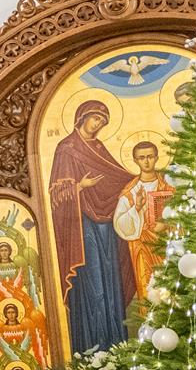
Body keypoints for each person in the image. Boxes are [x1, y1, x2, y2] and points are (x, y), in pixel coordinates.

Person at [46, 98, 136, 353]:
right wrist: (80, 186)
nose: (98, 125)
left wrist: (138, 182)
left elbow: (116, 176)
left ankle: (117, 342)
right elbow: (56, 195)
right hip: (81, 226)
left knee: (110, 278)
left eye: (102, 122)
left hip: (106, 225)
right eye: (95, 118)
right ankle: (94, 346)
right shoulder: (67, 148)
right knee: (93, 280)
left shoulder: (98, 147)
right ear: (82, 117)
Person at [112, 139, 174, 296]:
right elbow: (119, 224)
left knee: (171, 287)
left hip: (166, 245)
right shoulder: (130, 191)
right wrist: (137, 207)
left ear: (157, 158)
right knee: (147, 287)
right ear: (135, 161)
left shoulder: (168, 186)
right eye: (142, 158)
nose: (146, 162)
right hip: (141, 247)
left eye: (150, 157)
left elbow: (182, 214)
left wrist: (167, 224)